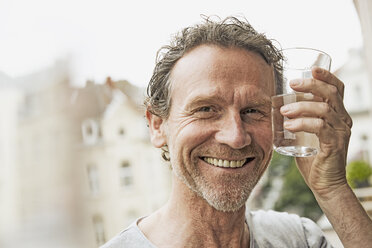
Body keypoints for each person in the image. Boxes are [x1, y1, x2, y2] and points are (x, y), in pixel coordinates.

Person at [102, 16, 372, 248]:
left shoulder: (299, 238)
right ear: (157, 125)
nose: (236, 137)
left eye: (254, 110)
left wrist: (333, 190)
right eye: (206, 109)